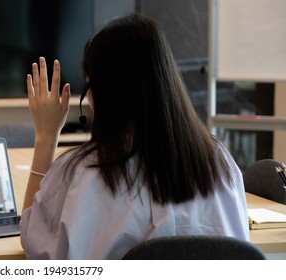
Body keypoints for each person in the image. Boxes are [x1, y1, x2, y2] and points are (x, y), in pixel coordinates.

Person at [20, 13, 249, 259]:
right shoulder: (220, 163)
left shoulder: (79, 172)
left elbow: (31, 238)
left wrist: (46, 136)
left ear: (101, 93)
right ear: (167, 80)